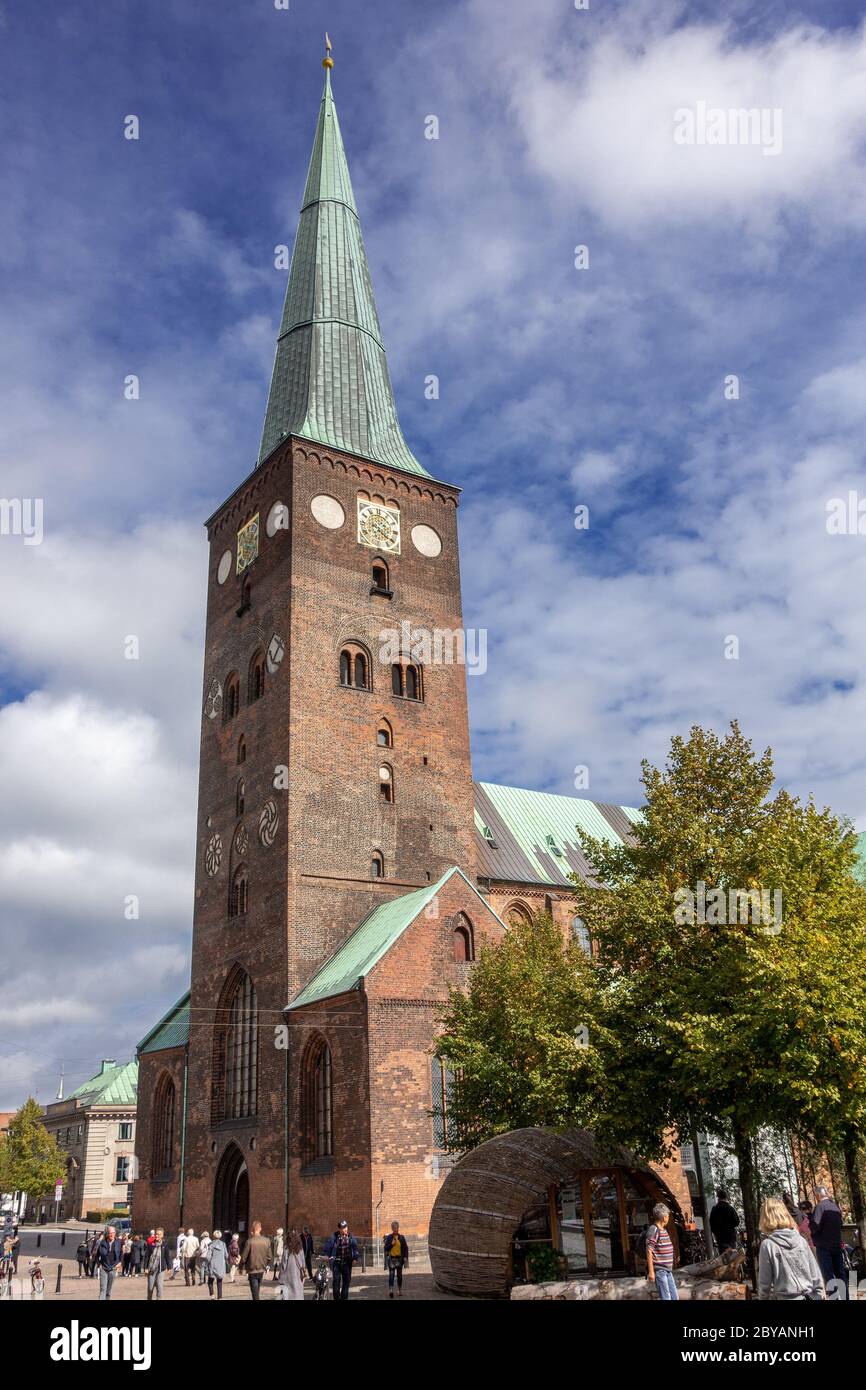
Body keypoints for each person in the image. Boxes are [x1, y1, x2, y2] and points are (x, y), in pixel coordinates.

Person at [757, 1198, 824, 1300]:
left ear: (765, 1217)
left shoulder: (768, 1245)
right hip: (809, 1296)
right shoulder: (801, 1240)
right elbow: (815, 1275)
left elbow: (764, 1284)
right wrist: (819, 1295)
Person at [810, 1186, 847, 1298]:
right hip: (836, 1244)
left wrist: (813, 1233)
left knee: (829, 1275)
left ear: (817, 1195)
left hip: (824, 1246)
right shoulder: (835, 1206)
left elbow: (815, 1225)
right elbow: (840, 1224)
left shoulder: (820, 1207)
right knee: (840, 1274)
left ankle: (834, 1297)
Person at [646, 1203, 678, 1301]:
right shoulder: (654, 1229)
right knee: (666, 1298)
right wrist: (651, 1271)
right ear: (664, 1217)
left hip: (668, 1271)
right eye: (667, 1215)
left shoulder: (663, 1230)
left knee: (674, 1297)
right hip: (660, 1271)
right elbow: (649, 1250)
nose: (668, 1218)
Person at [324, 1219, 359, 1301]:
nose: (345, 1229)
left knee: (346, 1284)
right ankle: (337, 1298)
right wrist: (326, 1255)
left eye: (346, 1227)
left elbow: (355, 1248)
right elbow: (328, 1246)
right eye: (343, 1228)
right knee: (336, 1283)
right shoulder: (335, 1237)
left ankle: (344, 1298)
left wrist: (355, 1258)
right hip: (337, 1263)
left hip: (347, 1263)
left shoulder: (350, 1237)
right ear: (340, 1229)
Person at [241, 1220, 272, 1300]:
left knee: (254, 1291)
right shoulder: (266, 1241)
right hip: (261, 1268)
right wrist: (267, 1264)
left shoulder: (249, 1241)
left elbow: (244, 1257)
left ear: (252, 1229)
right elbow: (269, 1256)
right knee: (256, 1289)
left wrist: (241, 1267)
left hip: (252, 1269)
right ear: (260, 1229)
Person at [96, 1225, 124, 1301]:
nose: (112, 1234)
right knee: (103, 1288)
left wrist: (120, 1262)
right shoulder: (102, 1242)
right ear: (107, 1233)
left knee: (108, 1290)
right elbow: (97, 1255)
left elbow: (121, 1253)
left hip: (113, 1268)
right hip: (104, 1268)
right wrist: (99, 1265)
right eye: (110, 1233)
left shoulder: (119, 1242)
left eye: (113, 1233)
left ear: (115, 1233)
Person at [709, 1188, 740, 1255]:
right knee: (732, 1258)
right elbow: (737, 1221)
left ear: (718, 1198)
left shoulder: (714, 1209)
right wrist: (730, 1226)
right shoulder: (730, 1208)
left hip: (720, 1238)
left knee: (723, 1258)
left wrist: (716, 1233)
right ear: (726, 1197)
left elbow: (711, 1224)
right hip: (730, 1237)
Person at [277, 1230, 306, 1301]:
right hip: (298, 1277)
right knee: (298, 1295)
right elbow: (303, 1263)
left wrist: (280, 1276)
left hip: (288, 1277)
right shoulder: (300, 1249)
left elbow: (283, 1264)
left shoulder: (287, 1249)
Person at [383, 1221, 409, 1298]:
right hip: (392, 1259)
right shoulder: (389, 1238)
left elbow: (405, 1248)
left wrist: (405, 1257)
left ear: (398, 1228)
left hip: (399, 1259)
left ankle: (399, 1290)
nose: (395, 1230)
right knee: (391, 1275)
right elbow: (386, 1248)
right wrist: (391, 1244)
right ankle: (391, 1290)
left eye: (396, 1228)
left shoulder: (401, 1238)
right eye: (394, 1228)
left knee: (399, 1276)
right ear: (392, 1229)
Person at [146, 1227, 171, 1301]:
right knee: (150, 1288)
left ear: (162, 1235)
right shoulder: (151, 1244)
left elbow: (167, 1256)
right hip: (152, 1269)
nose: (157, 1236)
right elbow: (147, 1256)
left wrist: (169, 1267)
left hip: (161, 1269)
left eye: (159, 1234)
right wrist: (146, 1268)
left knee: (160, 1287)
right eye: (156, 1234)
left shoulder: (164, 1245)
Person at [206, 1229, 228, 1300]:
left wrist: (209, 1262)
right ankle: (220, 1297)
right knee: (219, 1282)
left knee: (210, 1281)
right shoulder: (223, 1244)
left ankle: (212, 1295)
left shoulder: (211, 1245)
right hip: (221, 1265)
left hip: (213, 1265)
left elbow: (208, 1257)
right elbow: (226, 1255)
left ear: (213, 1236)